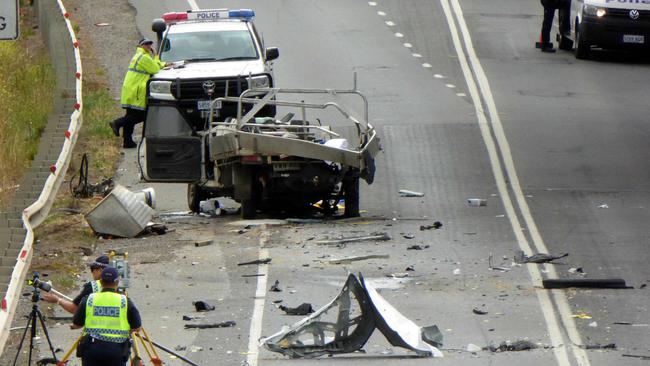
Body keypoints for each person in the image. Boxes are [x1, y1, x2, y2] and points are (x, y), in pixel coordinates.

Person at [71, 267, 142, 366]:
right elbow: (137, 327)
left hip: (92, 349)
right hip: (116, 351)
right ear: (117, 282)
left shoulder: (89, 299)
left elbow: (77, 323)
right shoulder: (125, 301)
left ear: (101, 281)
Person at [109, 38, 166, 148]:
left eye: (150, 44)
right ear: (140, 46)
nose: (149, 46)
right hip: (136, 91)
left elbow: (154, 66)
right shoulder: (144, 57)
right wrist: (156, 57)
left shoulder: (139, 56)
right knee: (142, 115)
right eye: (146, 44)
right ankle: (117, 123)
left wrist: (162, 63)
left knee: (130, 115)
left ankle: (127, 141)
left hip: (131, 89)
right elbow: (155, 69)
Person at [41, 255, 109, 314]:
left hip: (95, 328)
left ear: (100, 270)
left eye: (93, 271)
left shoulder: (93, 287)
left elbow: (75, 309)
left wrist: (57, 300)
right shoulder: (115, 286)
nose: (92, 274)